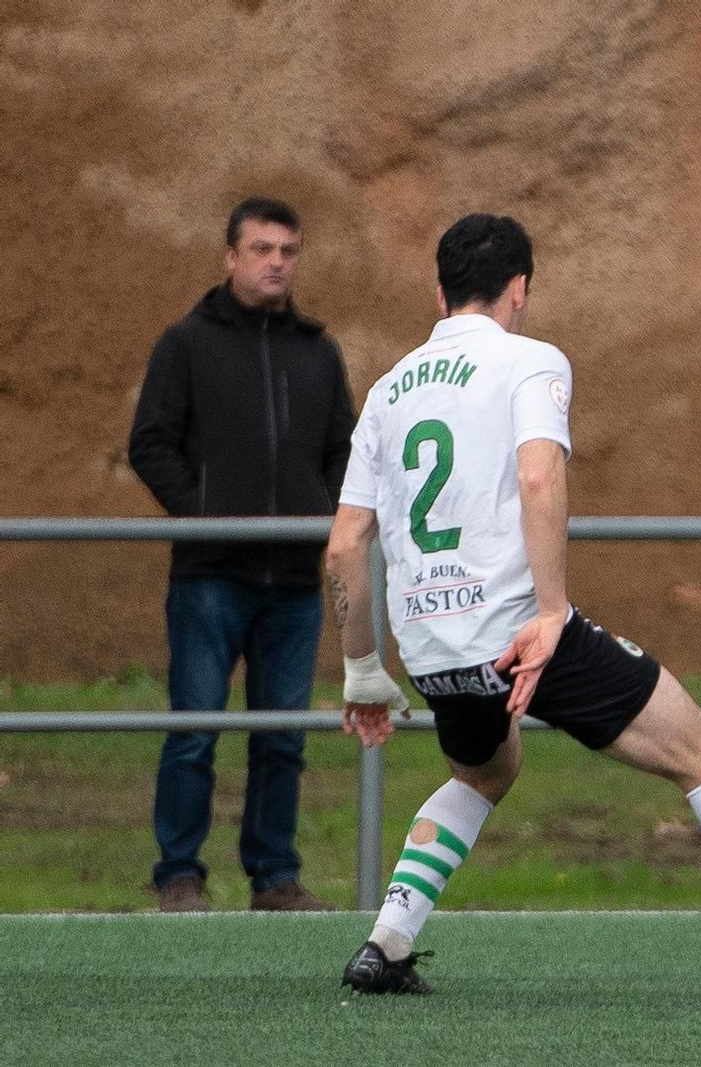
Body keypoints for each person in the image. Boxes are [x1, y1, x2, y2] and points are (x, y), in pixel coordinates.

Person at [326, 213, 701, 995]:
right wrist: (552, 613)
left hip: (431, 647)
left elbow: (345, 544)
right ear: (520, 288)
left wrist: (362, 668)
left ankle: (385, 943)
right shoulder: (530, 359)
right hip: (516, 632)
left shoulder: (387, 389)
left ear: (438, 291)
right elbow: (540, 475)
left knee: (484, 773)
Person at [128, 196, 354, 912]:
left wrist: (321, 513)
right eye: (261, 249)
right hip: (210, 579)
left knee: (283, 738)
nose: (276, 263)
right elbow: (151, 443)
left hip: (293, 584)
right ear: (230, 257)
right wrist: (205, 515)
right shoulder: (186, 345)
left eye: (288, 251)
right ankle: (179, 874)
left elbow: (345, 451)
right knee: (194, 729)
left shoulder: (318, 353)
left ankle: (274, 876)